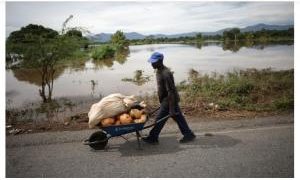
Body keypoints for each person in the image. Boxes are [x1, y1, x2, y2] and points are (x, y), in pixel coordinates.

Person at [142, 52, 196, 144]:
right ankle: (188, 134)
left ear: (160, 61)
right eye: (151, 62)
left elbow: (170, 91)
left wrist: (170, 108)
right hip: (167, 100)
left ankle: (153, 137)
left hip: (169, 100)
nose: (152, 64)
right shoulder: (159, 71)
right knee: (178, 117)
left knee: (159, 119)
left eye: (153, 62)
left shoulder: (165, 73)